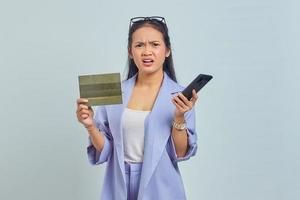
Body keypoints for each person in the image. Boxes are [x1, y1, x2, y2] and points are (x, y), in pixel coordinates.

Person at [76, 16, 198, 200]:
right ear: (130, 52)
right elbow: (106, 150)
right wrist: (90, 125)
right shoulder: (114, 91)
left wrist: (179, 117)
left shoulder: (180, 95)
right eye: (139, 45)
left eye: (155, 44)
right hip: (118, 184)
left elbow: (180, 153)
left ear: (167, 51)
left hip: (161, 188)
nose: (147, 52)